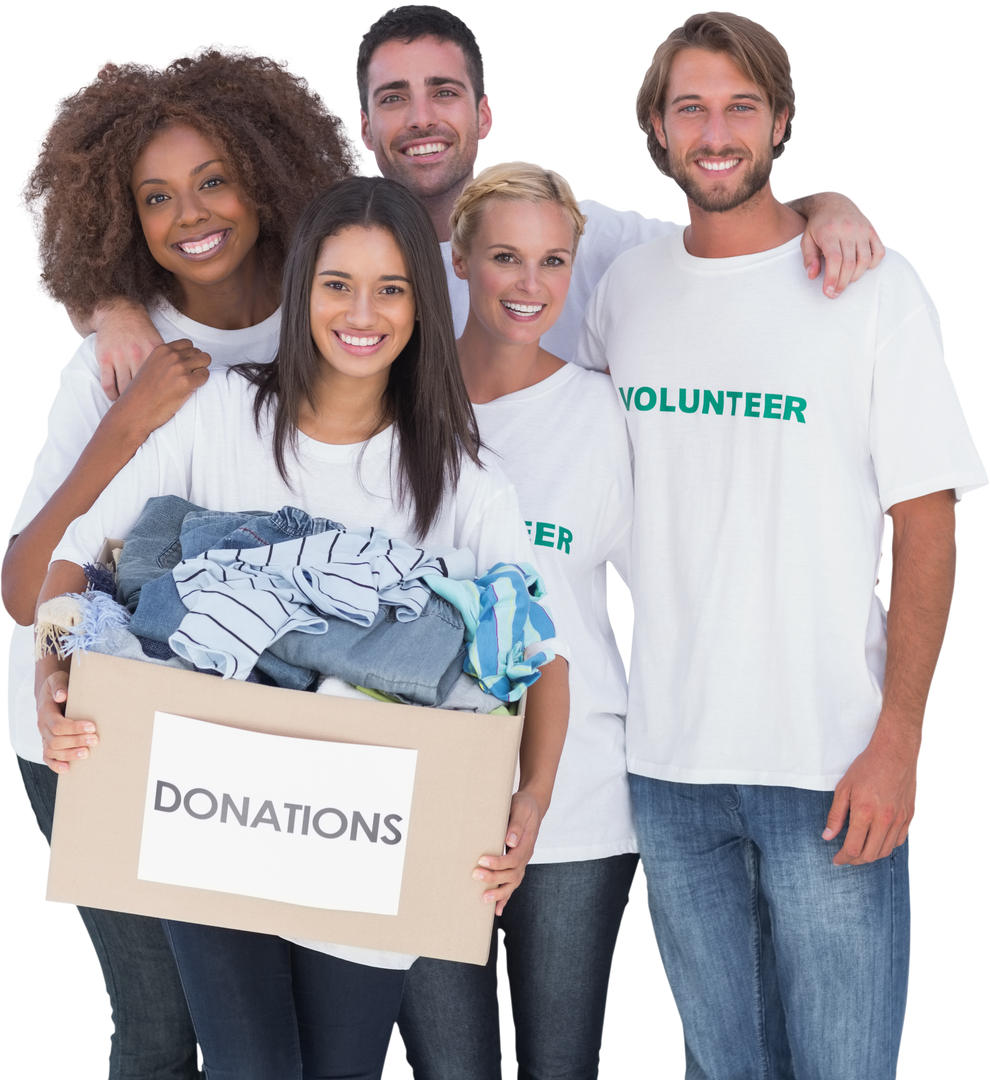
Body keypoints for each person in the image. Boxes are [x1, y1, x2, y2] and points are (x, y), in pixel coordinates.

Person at [34, 174, 570, 1080]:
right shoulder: (219, 416)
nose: (362, 313)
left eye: (391, 288)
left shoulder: (460, 474)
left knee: (341, 1072)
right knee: (252, 1067)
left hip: (369, 835)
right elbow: (74, 560)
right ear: (302, 291)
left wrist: (530, 800)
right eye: (337, 284)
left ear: (421, 305)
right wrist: (53, 671)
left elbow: (536, 653)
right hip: (211, 809)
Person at [575, 9, 989, 1078]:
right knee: (720, 1068)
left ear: (782, 123)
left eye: (740, 107)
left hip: (831, 762)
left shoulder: (875, 289)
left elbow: (928, 526)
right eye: (691, 108)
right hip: (666, 767)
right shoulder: (624, 289)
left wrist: (900, 741)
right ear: (657, 131)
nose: (716, 131)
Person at [3, 41, 362, 1078]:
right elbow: (26, 586)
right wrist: (130, 418)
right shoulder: (109, 361)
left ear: (270, 170)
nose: (191, 215)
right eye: (155, 198)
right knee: (165, 1032)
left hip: (253, 734)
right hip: (90, 726)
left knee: (258, 1036)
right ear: (120, 217)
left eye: (213, 179)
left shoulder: (336, 326)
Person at [90, 4, 886, 397]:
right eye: (396, 99)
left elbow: (724, 232)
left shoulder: (581, 231)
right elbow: (192, 258)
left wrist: (824, 202)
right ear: (365, 126)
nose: (423, 118)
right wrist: (113, 309)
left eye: (444, 92)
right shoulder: (330, 249)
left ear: (485, 115)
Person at [395, 157, 636, 1080]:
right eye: (505, 257)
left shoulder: (602, 415)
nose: (530, 286)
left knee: (562, 1064)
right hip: (424, 791)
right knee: (449, 1068)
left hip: (576, 794)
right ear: (458, 260)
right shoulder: (393, 404)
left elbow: (664, 593)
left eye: (552, 262)